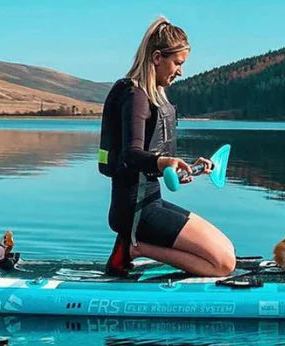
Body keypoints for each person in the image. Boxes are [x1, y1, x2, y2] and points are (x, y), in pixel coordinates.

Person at [98, 16, 236, 277]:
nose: (181, 71)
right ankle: (134, 249)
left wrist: (185, 168)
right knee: (223, 265)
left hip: (152, 202)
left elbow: (149, 161)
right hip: (136, 211)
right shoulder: (135, 95)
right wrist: (163, 162)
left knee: (227, 250)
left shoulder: (152, 97)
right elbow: (130, 155)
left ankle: (133, 246)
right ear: (158, 57)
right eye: (178, 63)